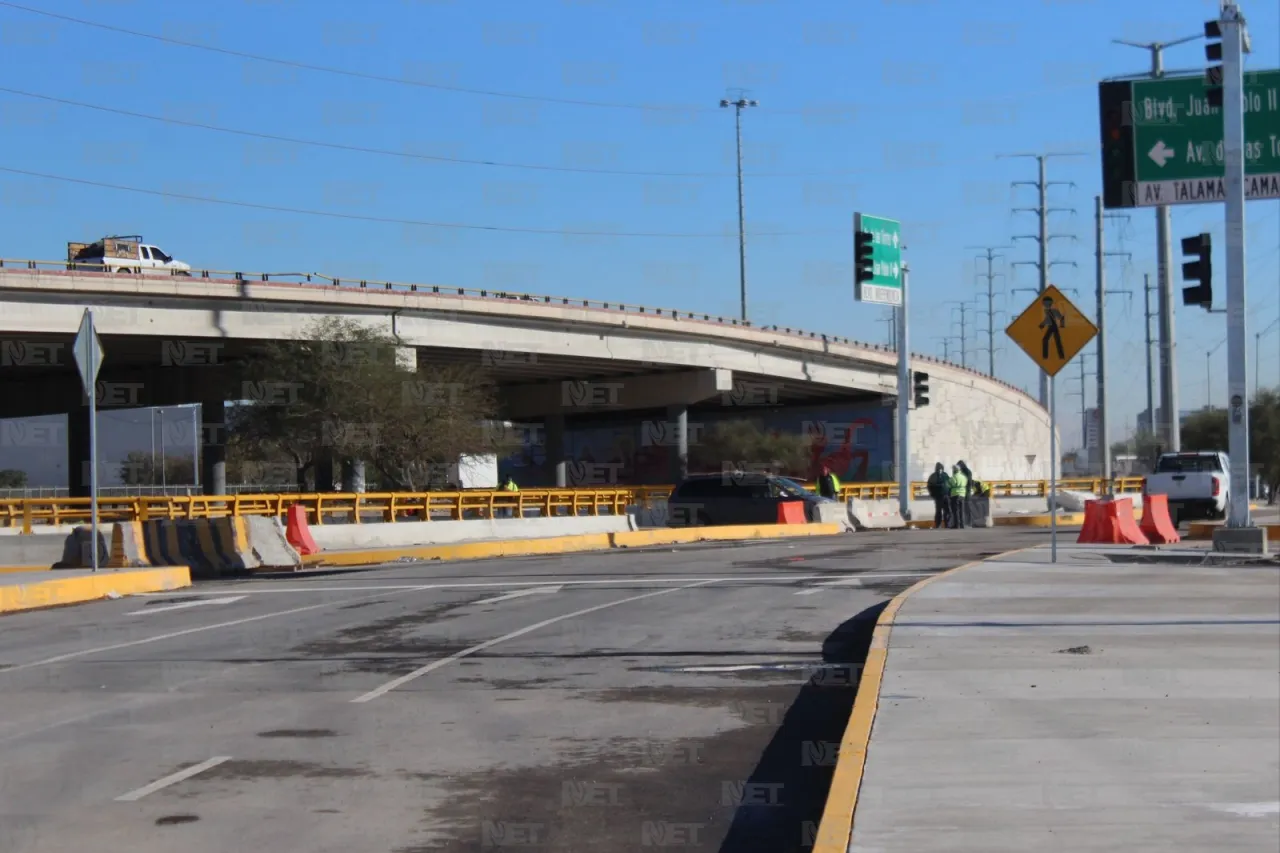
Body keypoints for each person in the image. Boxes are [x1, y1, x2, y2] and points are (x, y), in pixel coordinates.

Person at [926, 462, 951, 529]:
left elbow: (950, 484)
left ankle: (944, 524)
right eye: (939, 468)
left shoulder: (942, 475)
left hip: (943, 496)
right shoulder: (937, 476)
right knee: (941, 511)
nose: (939, 469)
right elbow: (930, 486)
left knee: (944, 511)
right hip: (940, 496)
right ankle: (942, 524)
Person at [948, 463, 969, 529]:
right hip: (962, 495)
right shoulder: (963, 477)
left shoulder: (954, 477)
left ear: (954, 470)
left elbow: (949, 485)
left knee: (956, 510)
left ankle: (957, 525)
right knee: (961, 510)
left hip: (955, 495)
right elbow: (966, 483)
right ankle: (962, 525)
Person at [957, 460, 976, 527]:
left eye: (959, 466)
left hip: (966, 491)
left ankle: (969, 522)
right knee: (963, 508)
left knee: (967, 507)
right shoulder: (962, 471)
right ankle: (966, 522)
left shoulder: (967, 471)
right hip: (962, 491)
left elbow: (969, 482)